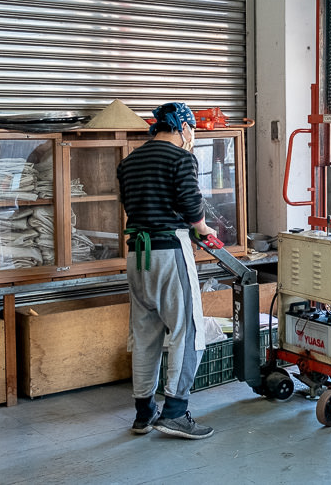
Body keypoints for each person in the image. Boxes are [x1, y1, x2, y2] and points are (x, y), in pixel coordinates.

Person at [117, 102, 217, 440]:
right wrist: (203, 228)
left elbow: (130, 203)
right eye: (192, 129)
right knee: (187, 331)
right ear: (183, 127)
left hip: (136, 256)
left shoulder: (129, 161)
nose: (192, 135)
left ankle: (144, 413)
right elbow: (191, 203)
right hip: (168, 251)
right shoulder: (181, 158)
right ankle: (174, 412)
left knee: (145, 335)